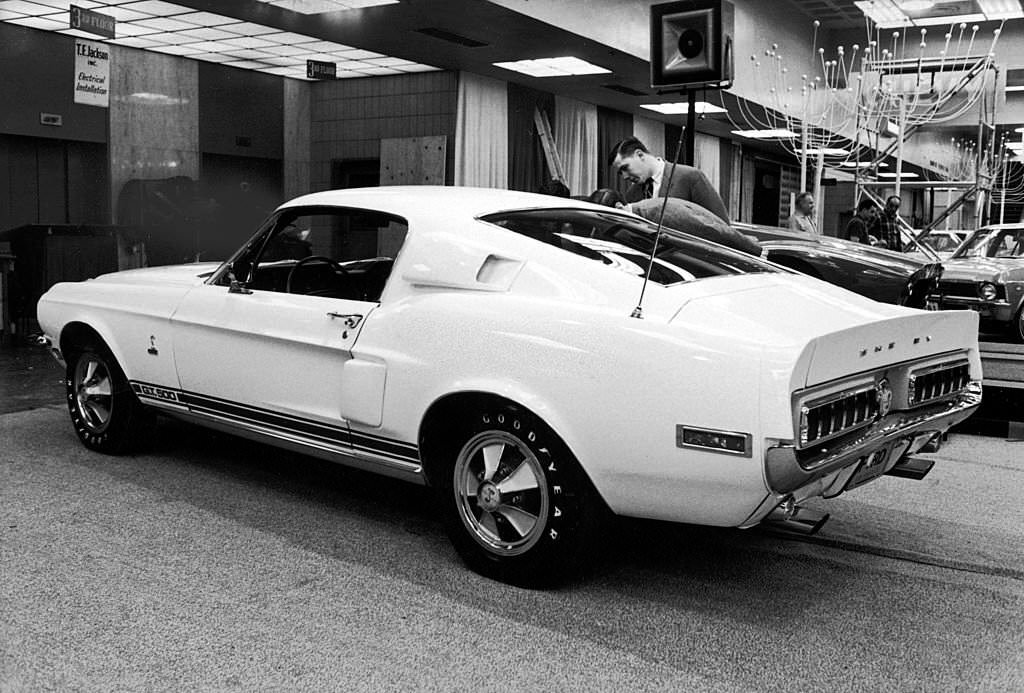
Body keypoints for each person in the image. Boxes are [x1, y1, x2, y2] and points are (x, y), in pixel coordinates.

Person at [587, 188, 762, 256]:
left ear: (619, 206)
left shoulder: (659, 212)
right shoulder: (642, 215)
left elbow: (712, 230)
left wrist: (753, 250)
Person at [607, 137, 730, 222]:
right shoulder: (633, 194)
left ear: (640, 155)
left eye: (626, 168)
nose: (625, 176)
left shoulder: (690, 177)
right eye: (620, 172)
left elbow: (721, 225)